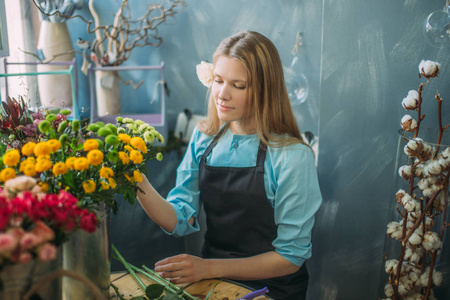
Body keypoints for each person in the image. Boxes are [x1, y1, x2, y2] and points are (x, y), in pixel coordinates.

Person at [136, 31, 322, 300]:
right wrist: (137, 181)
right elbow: (179, 218)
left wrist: (207, 267)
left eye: (238, 85)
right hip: (212, 284)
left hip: (273, 289)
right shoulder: (204, 138)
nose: (222, 94)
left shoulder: (293, 156)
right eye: (219, 80)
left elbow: (290, 257)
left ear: (264, 90)